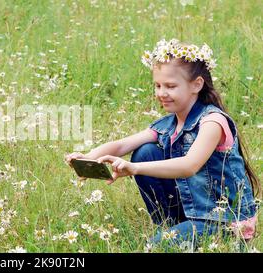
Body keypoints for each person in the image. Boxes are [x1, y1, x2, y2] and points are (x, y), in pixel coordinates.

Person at [65, 38, 260, 248]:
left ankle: (179, 236)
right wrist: (88, 157)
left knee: (155, 247)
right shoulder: (169, 124)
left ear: (197, 85)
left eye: (170, 86)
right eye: (157, 85)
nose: (161, 93)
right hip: (195, 210)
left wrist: (134, 168)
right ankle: (170, 225)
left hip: (224, 221)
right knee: (145, 151)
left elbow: (189, 166)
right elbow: (122, 145)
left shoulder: (213, 122)